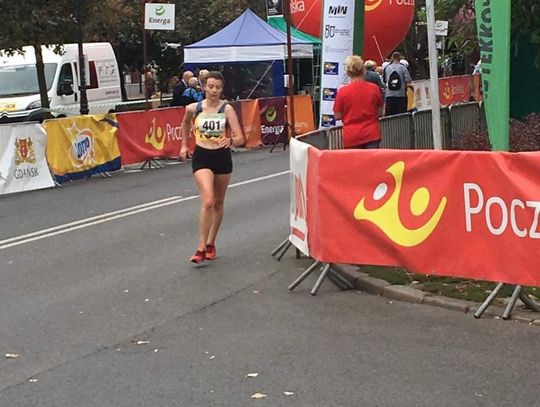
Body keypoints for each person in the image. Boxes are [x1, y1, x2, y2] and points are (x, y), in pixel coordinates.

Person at [180, 71, 245, 263]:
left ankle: (211, 243)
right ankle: (200, 247)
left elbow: (241, 138)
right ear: (204, 87)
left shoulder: (227, 110)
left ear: (221, 89)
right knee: (207, 200)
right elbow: (184, 124)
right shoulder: (193, 108)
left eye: (217, 87)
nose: (214, 91)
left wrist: (231, 140)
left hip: (222, 157)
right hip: (202, 156)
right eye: (210, 87)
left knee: (218, 202)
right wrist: (184, 145)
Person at [333, 55, 384, 149]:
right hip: (371, 133)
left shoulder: (342, 92)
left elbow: (337, 116)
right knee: (372, 163)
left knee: (354, 163)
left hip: (351, 135)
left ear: (348, 73)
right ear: (363, 70)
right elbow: (380, 112)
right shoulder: (374, 88)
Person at [383, 52, 412, 116]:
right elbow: (408, 79)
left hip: (389, 94)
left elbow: (385, 80)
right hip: (401, 94)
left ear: (392, 58)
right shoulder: (403, 68)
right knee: (401, 115)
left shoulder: (387, 68)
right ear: (400, 58)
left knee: (390, 115)